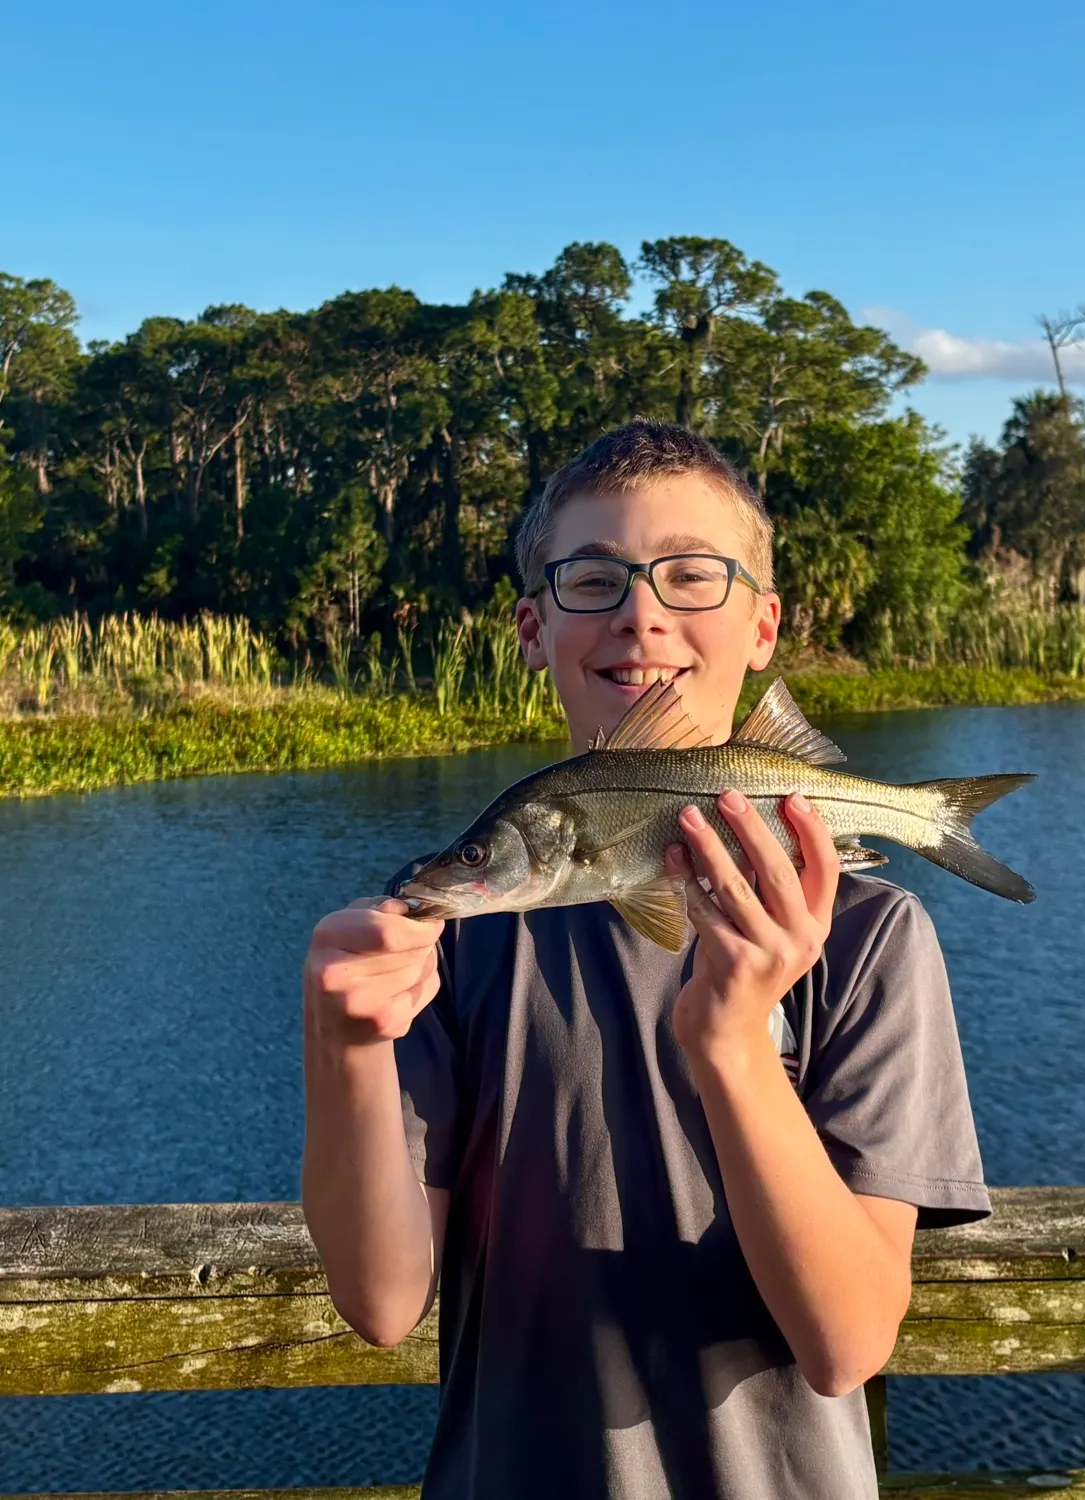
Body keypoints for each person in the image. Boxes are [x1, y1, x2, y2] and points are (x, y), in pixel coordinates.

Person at [300, 421, 991, 1500]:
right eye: (592, 578)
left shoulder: (868, 938)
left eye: (691, 575)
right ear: (531, 628)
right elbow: (384, 1306)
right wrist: (344, 1044)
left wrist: (729, 1046)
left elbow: (849, 1341)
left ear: (763, 626)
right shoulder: (453, 934)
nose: (641, 614)